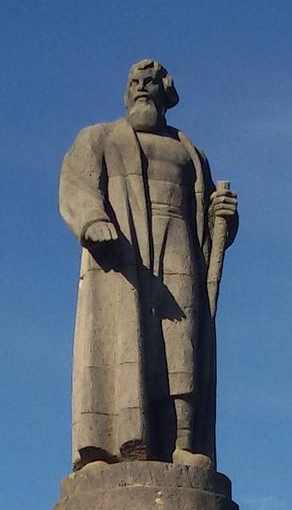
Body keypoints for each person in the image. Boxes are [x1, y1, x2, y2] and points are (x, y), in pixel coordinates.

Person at [60, 58, 238, 471]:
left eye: (150, 82)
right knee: (118, 346)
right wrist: (92, 220)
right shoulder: (98, 138)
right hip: (120, 256)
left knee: (182, 347)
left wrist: (223, 216)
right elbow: (76, 184)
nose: (142, 87)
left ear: (166, 92)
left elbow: (211, 226)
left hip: (179, 249)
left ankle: (183, 441)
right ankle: (102, 450)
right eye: (134, 81)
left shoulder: (191, 153)